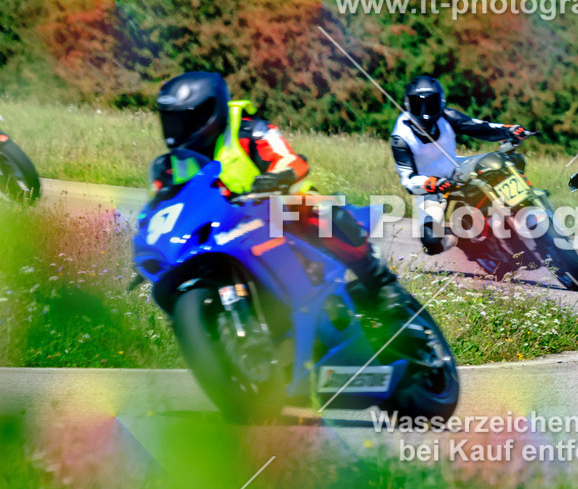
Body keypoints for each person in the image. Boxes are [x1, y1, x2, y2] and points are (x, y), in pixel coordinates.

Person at [151, 71, 409, 316]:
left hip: (279, 213)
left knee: (320, 209)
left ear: (210, 112)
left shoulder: (249, 131)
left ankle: (382, 284)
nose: (177, 130)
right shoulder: (176, 162)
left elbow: (292, 161)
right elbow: (169, 201)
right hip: (229, 229)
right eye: (171, 121)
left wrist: (276, 178)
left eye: (185, 120)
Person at [390, 75, 528, 254]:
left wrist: (508, 130)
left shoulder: (448, 116)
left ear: (440, 103)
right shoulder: (400, 137)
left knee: (506, 161)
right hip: (429, 185)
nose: (425, 111)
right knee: (431, 244)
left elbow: (480, 126)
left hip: (456, 167)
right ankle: (460, 239)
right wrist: (430, 183)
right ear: (408, 105)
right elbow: (408, 179)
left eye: (430, 104)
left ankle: (519, 209)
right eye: (419, 104)